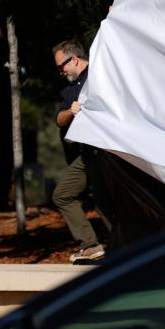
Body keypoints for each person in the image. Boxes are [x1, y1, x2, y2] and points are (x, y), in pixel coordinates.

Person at [52, 40, 110, 262]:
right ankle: (91, 245)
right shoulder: (68, 90)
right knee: (62, 195)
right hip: (85, 155)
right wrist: (70, 110)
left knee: (106, 200)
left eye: (61, 66)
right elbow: (59, 119)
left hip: (107, 150)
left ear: (74, 59)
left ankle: (126, 248)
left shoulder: (100, 70)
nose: (60, 72)